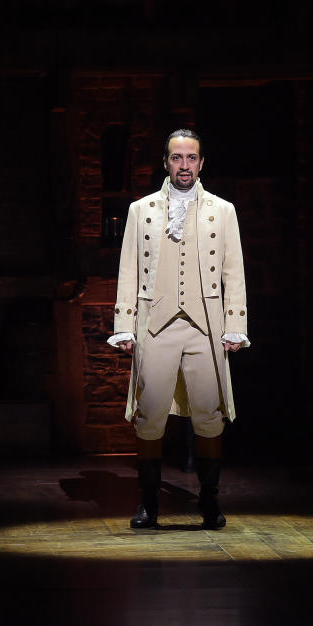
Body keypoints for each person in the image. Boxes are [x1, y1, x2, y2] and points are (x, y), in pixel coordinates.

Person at [110, 129, 249, 529]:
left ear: (201, 162)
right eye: (176, 158)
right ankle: (149, 504)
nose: (184, 165)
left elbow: (233, 273)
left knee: (209, 415)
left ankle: (209, 501)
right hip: (155, 324)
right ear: (166, 162)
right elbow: (128, 268)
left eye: (191, 158)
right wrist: (124, 324)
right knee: (149, 413)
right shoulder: (142, 209)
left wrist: (235, 324)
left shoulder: (223, 211)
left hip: (205, 326)